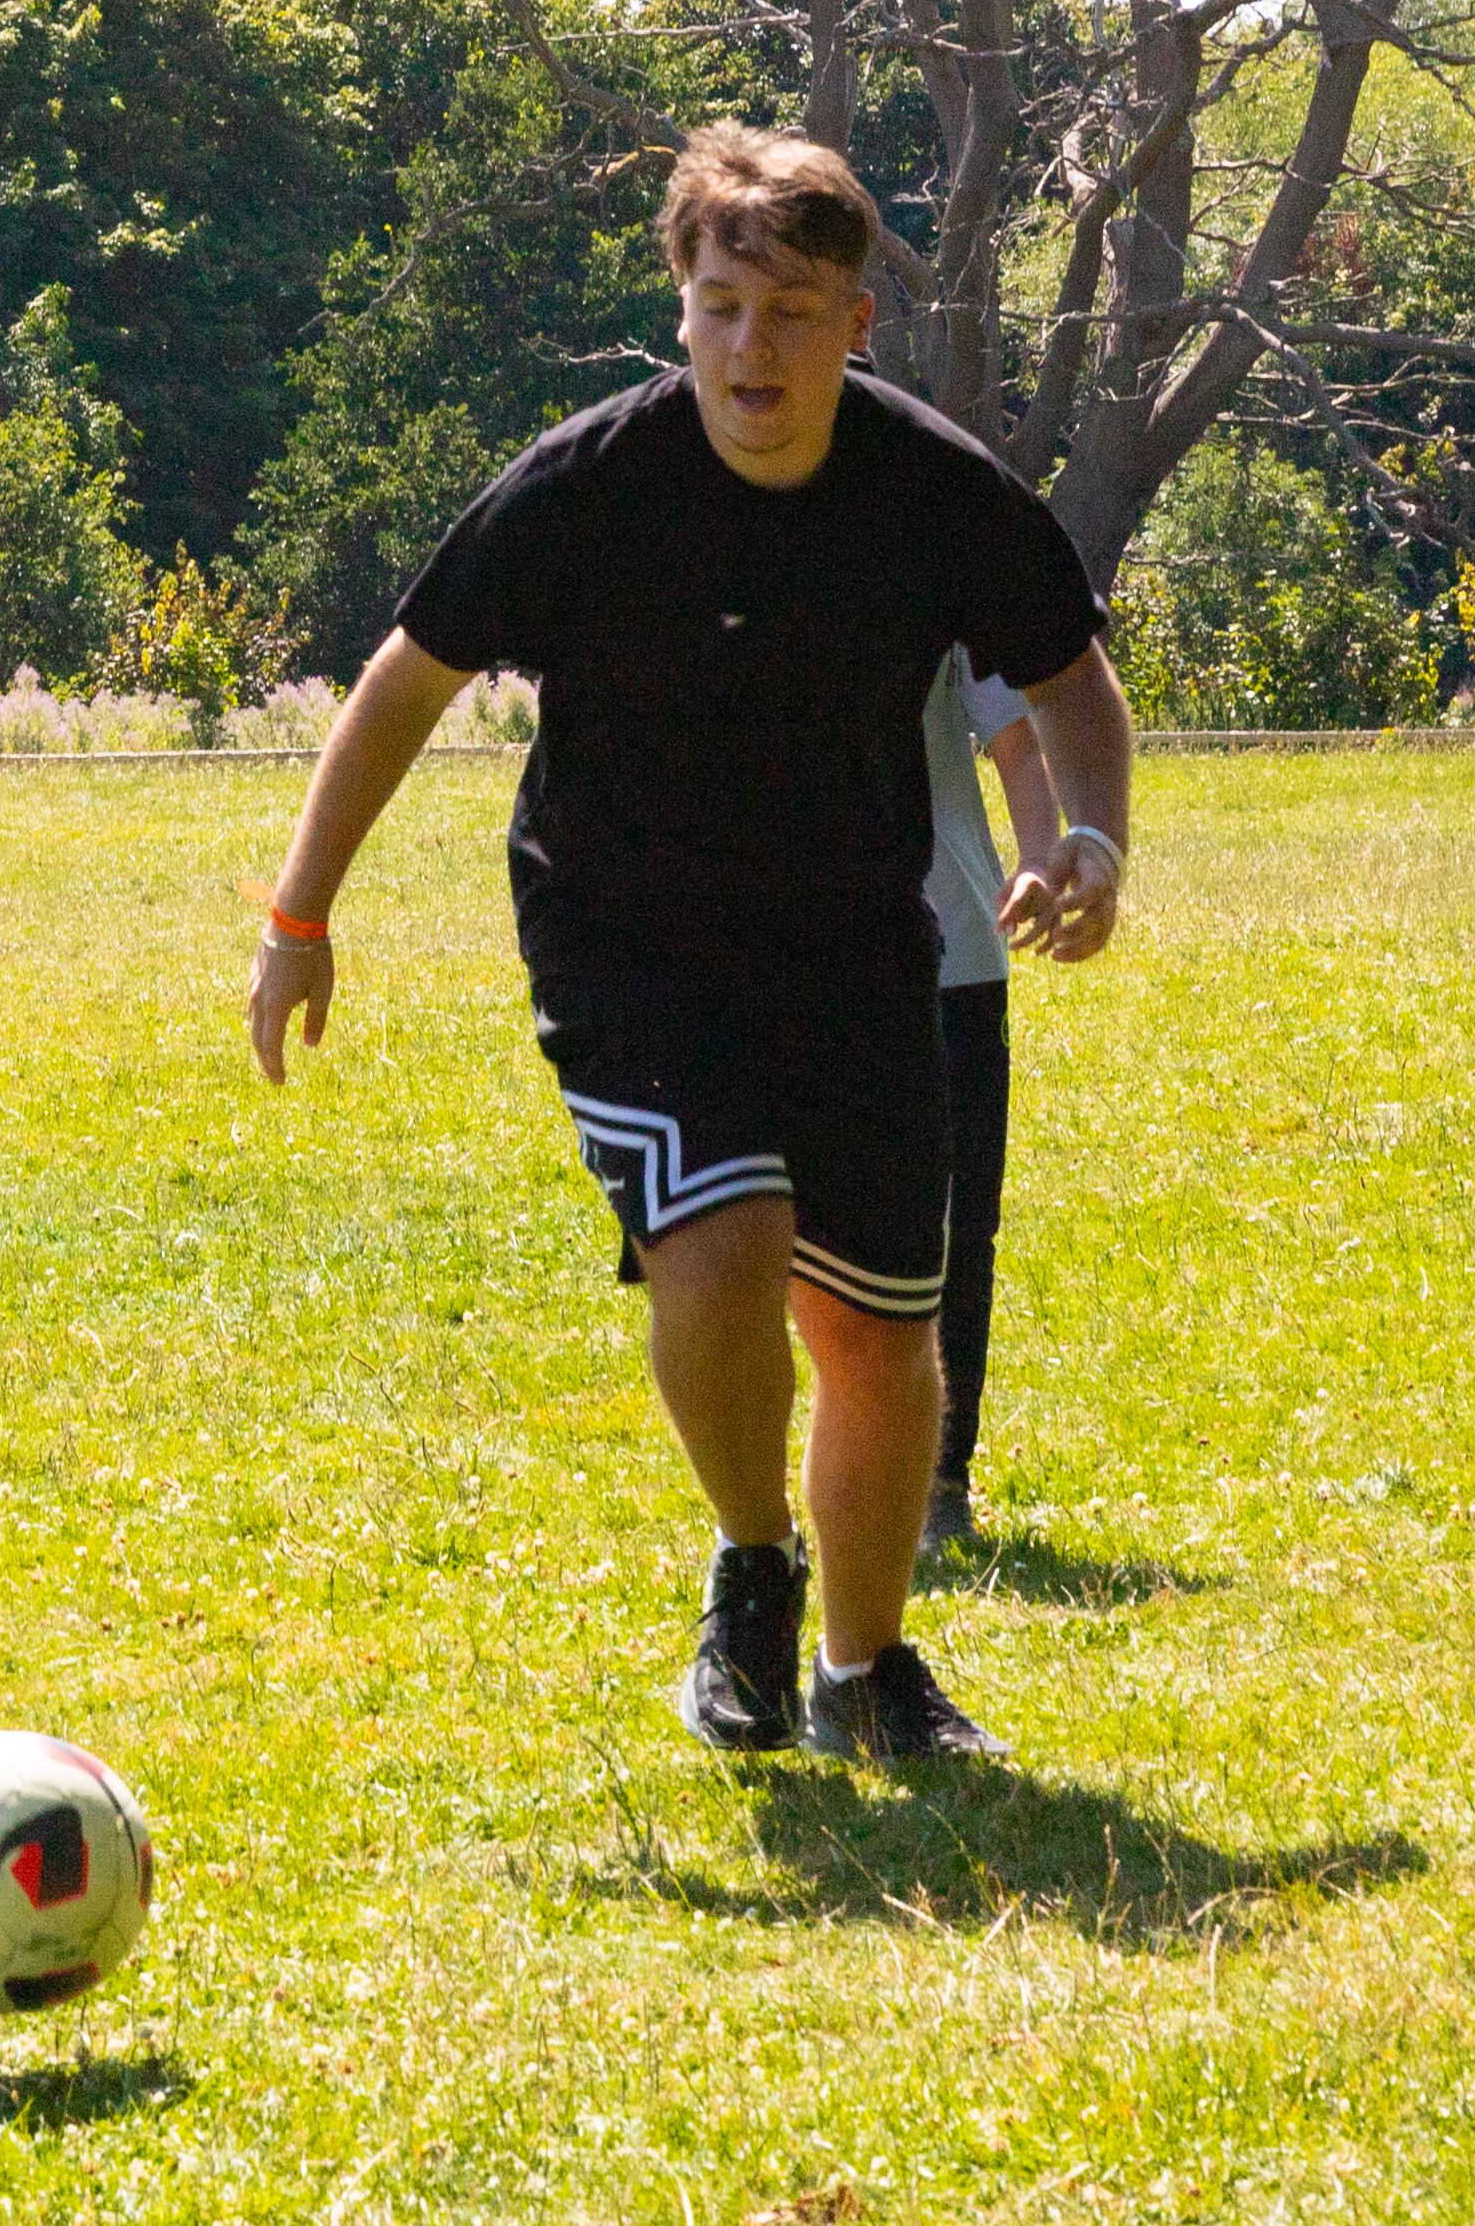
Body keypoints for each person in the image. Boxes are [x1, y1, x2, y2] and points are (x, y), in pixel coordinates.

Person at [244, 123, 1131, 1761]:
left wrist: (1087, 839)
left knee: (880, 1332)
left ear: (852, 324)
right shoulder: (590, 484)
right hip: (623, 931)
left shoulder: (930, 488)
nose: (751, 347)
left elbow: (1068, 672)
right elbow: (404, 680)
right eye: (721, 304)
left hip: (858, 939)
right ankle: (750, 1564)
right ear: (679, 311)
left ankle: (864, 1673)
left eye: (790, 310)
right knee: (717, 1240)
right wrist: (297, 916)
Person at [919, 650, 1061, 1554]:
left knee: (957, 1235)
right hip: (794, 961)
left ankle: (939, 1483)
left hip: (956, 953)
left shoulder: (941, 540)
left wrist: (1044, 856)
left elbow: (1016, 740)